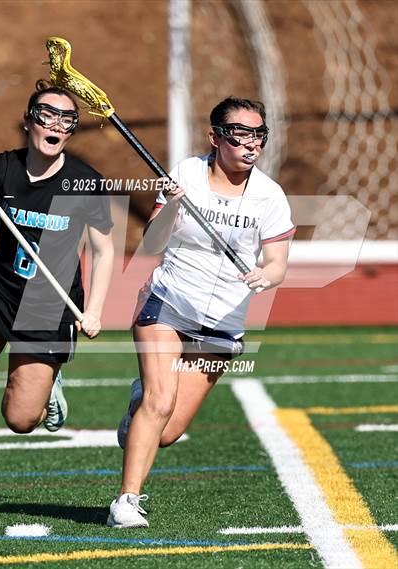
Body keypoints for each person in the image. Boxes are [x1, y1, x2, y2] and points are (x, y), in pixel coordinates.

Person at [106, 97, 295, 528]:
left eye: (258, 134)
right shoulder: (187, 174)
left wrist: (266, 276)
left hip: (223, 322)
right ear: (215, 137)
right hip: (169, 302)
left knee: (168, 431)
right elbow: (152, 242)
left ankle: (138, 405)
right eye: (240, 133)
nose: (251, 143)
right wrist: (173, 204)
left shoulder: (270, 196)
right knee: (160, 400)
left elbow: (278, 263)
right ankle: (126, 501)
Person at [0, 80, 114, 434]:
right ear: (28, 121)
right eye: (47, 115)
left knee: (21, 418)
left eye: (66, 119)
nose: (56, 124)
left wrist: (94, 310)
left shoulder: (85, 181)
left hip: (51, 304)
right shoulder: (1, 167)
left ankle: (48, 390)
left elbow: (103, 251)